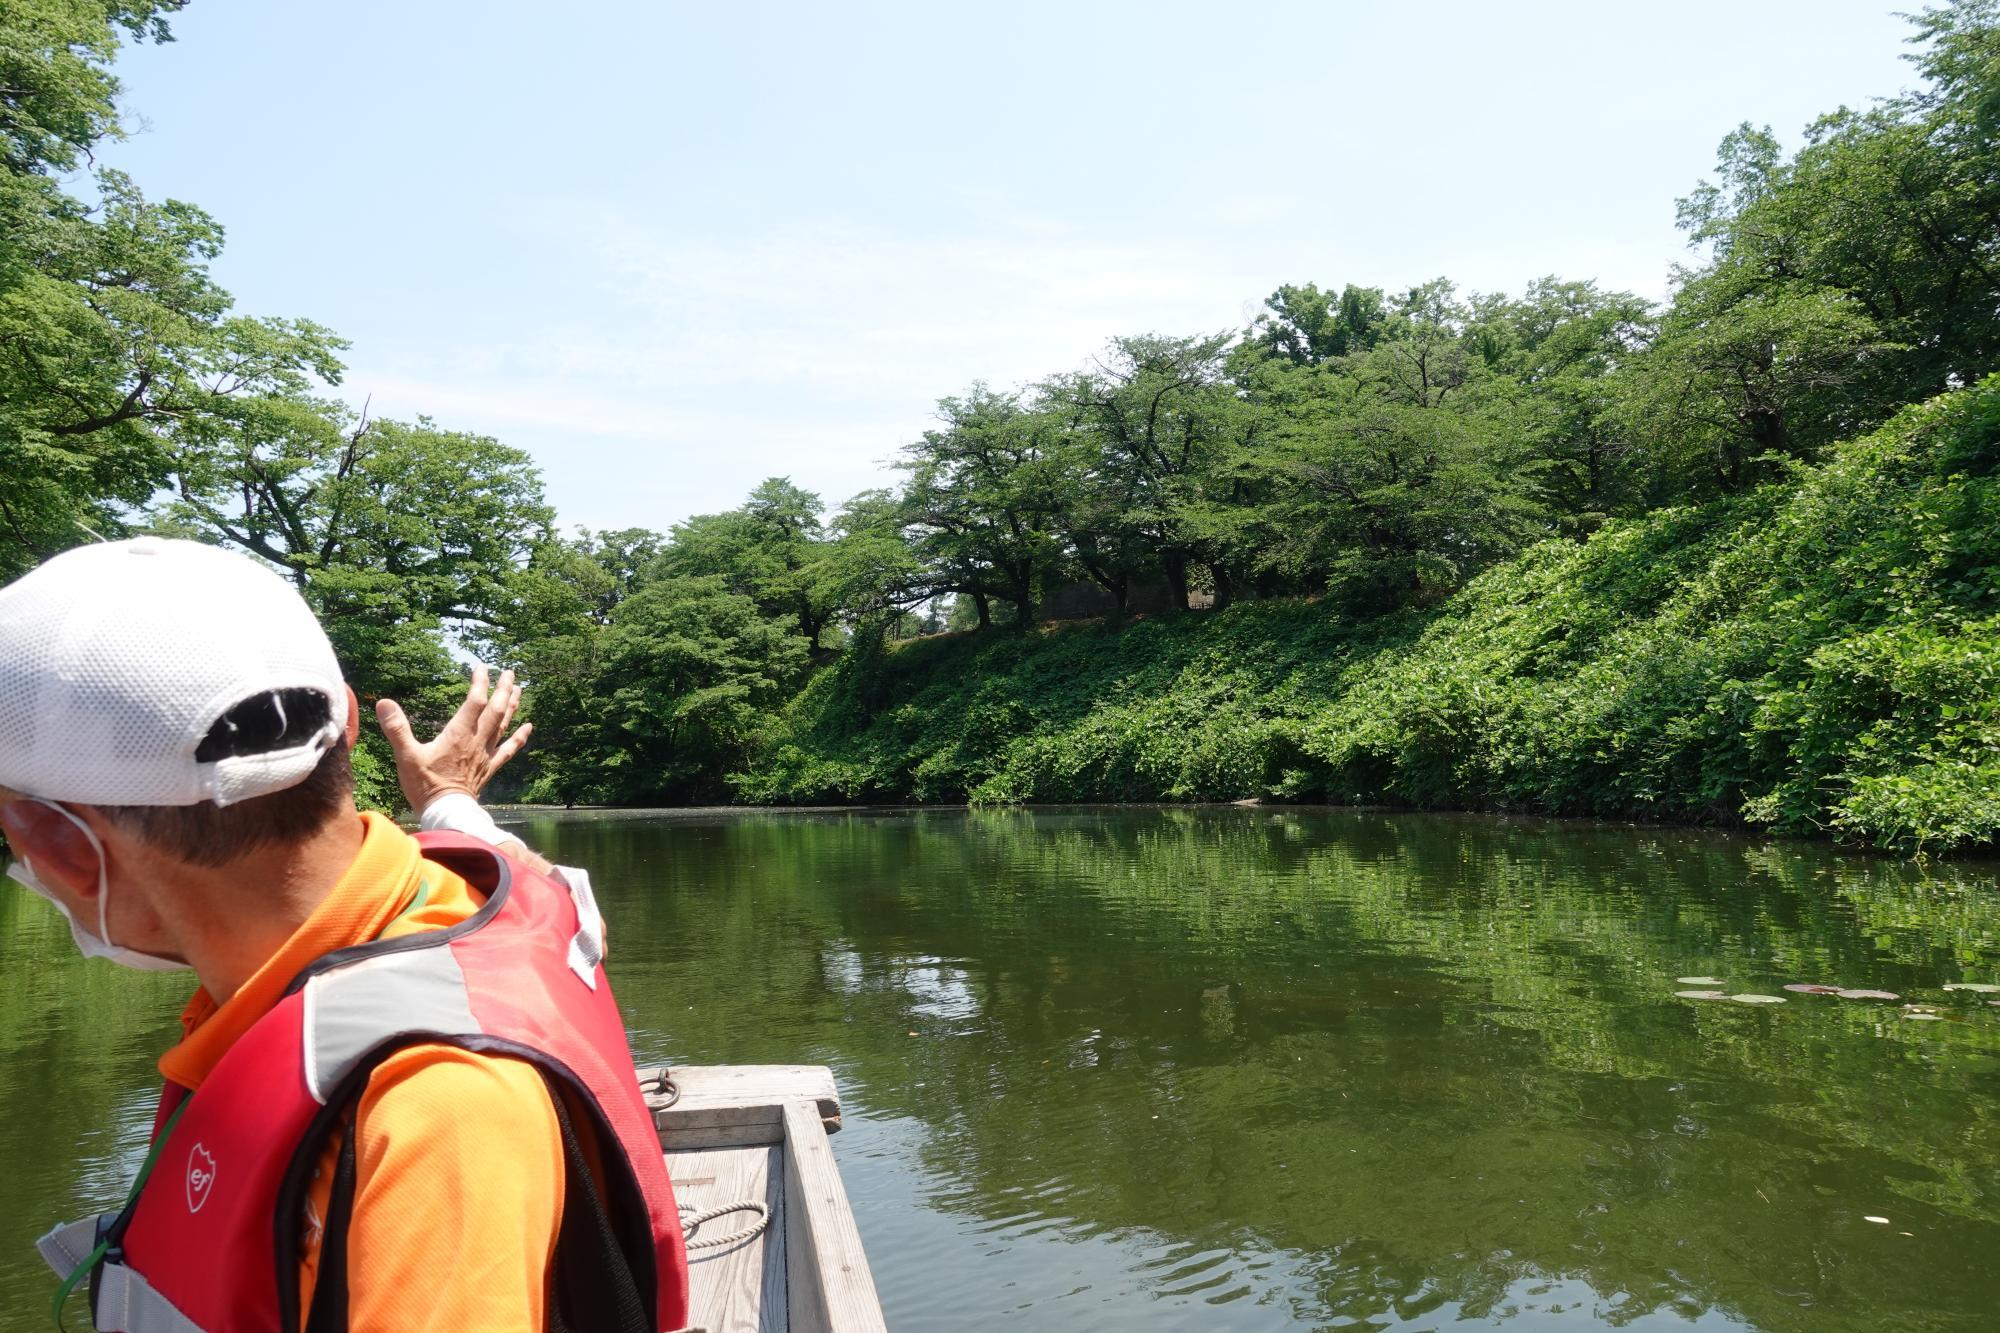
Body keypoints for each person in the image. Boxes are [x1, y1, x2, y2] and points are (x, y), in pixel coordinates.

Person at [0, 538, 691, 1332]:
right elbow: (522, 867)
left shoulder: (437, 1114)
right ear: (350, 721)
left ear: (55, 844)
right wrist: (447, 802)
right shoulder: (477, 891)